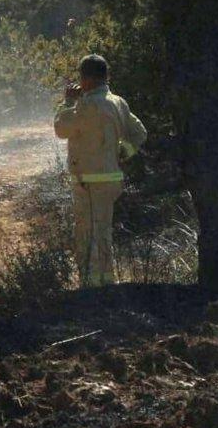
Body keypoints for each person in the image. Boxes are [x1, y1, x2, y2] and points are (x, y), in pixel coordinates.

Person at [53, 54, 147, 287]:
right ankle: (106, 282)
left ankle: (91, 286)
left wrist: (68, 102)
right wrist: (123, 152)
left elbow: (61, 128)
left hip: (88, 181)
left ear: (85, 80)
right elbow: (139, 133)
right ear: (106, 77)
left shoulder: (85, 104)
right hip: (111, 180)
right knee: (103, 232)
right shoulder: (118, 102)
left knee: (87, 235)